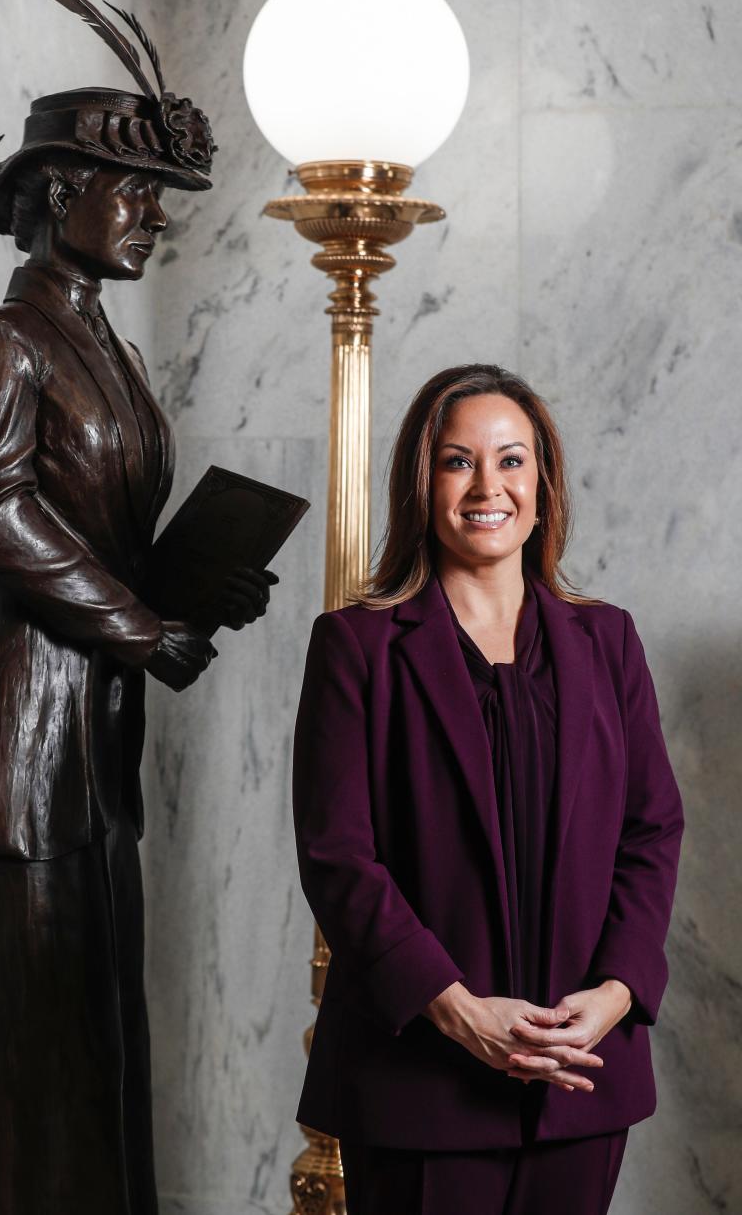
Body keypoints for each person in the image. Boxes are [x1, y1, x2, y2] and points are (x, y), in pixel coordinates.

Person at [0, 0, 277, 1215]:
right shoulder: (5, 342)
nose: (154, 218)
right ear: (61, 190)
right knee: (33, 1084)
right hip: (11, 757)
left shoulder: (102, 347)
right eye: (137, 193)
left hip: (87, 749)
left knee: (100, 1060)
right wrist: (140, 625)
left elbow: (100, 527)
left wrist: (200, 589)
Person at [292, 364, 684, 1215]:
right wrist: (458, 1009)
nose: (486, 486)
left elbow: (651, 832)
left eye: (511, 460)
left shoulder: (608, 641)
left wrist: (615, 995)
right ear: (422, 485)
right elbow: (338, 856)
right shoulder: (357, 647)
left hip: (581, 1078)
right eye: (456, 461)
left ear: (542, 486)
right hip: (417, 1081)